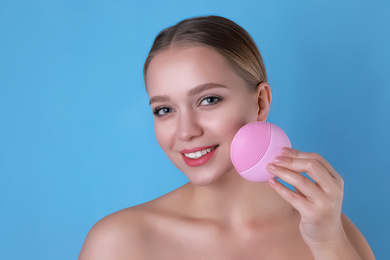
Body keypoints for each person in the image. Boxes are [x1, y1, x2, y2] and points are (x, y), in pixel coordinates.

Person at [79, 15, 375, 259]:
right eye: (165, 109)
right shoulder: (118, 244)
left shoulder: (332, 234)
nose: (186, 131)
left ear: (260, 102)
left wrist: (327, 245)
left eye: (208, 100)